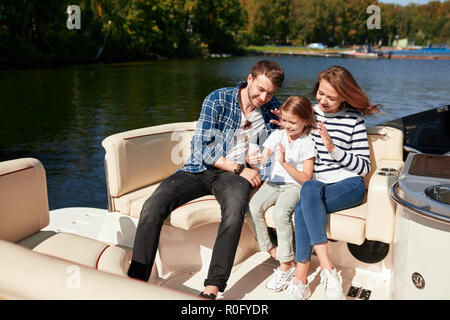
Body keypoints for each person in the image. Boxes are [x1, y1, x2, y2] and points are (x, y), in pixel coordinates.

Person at [127, 60, 285, 299]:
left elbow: (280, 144)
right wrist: (239, 168)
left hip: (234, 178)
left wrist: (264, 173)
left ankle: (212, 287)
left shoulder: (273, 109)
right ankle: (136, 279)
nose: (263, 97)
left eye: (270, 93)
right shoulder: (218, 99)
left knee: (233, 213)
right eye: (260, 89)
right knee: (152, 206)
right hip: (200, 169)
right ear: (249, 79)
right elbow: (202, 149)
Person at [284, 66, 380, 300]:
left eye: (331, 97)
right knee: (306, 194)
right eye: (320, 93)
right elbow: (286, 126)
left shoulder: (354, 120)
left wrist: (333, 149)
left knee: (302, 205)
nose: (323, 100)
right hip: (317, 186)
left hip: (350, 185)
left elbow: (364, 167)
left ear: (344, 96)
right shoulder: (309, 114)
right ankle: (325, 270)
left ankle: (301, 276)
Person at [246, 95, 316, 292]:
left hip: (294, 186)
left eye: (293, 122)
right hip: (274, 183)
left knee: (280, 214)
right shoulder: (277, 135)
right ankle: (271, 249)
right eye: (284, 120)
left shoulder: (307, 142)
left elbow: (306, 179)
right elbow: (264, 156)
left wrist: (284, 163)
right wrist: (258, 158)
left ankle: (286, 265)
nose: (287, 125)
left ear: (306, 121)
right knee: (252, 207)